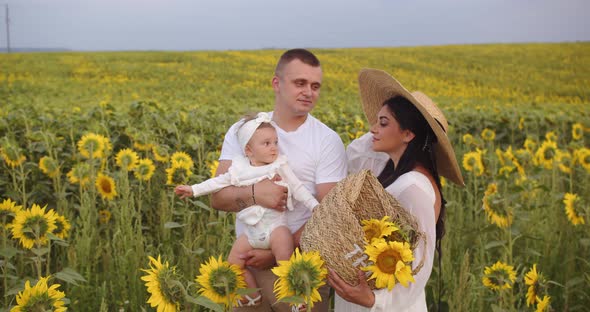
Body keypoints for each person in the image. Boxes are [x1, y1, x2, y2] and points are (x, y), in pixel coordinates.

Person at [210, 49, 348, 312]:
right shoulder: (244, 131)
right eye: (300, 83)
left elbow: (330, 215)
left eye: (315, 86)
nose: (309, 91)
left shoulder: (327, 140)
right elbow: (218, 197)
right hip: (247, 268)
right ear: (276, 83)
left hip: (302, 270)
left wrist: (274, 251)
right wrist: (256, 194)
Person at [327, 68, 464, 312]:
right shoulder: (394, 172)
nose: (372, 130)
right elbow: (357, 155)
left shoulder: (413, 187)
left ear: (408, 133)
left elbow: (421, 261)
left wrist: (376, 301)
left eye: (383, 122)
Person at [175, 112, 319, 307]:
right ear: (249, 151)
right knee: (233, 263)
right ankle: (252, 295)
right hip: (251, 233)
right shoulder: (239, 170)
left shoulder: (279, 166)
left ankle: (297, 296)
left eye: (275, 142)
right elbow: (217, 182)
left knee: (285, 257)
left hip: (275, 227)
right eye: (266, 143)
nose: (274, 148)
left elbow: (298, 188)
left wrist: (315, 207)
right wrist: (193, 190)